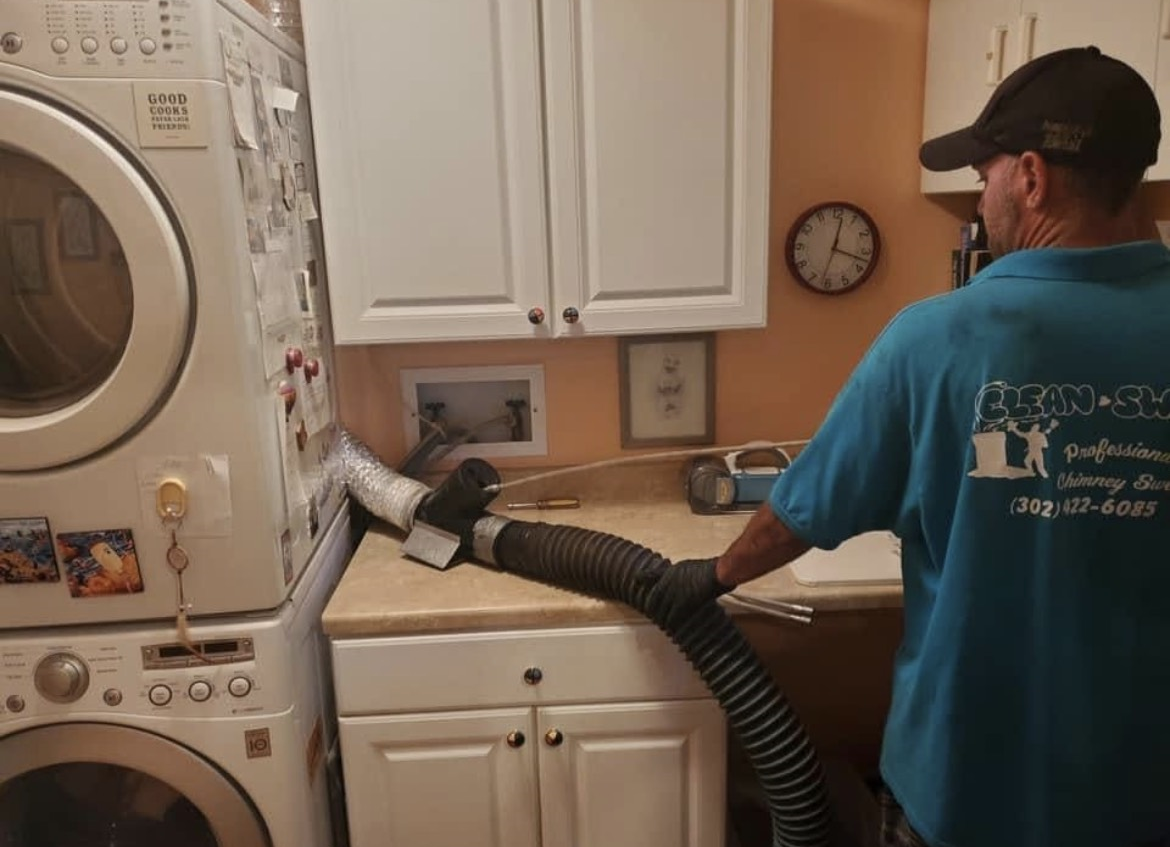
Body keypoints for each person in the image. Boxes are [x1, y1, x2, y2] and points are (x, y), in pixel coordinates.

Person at [645, 46, 1170, 847]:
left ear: (1031, 176)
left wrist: (709, 576)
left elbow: (801, 514)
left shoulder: (939, 339)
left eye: (986, 173)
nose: (982, 194)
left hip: (967, 785)